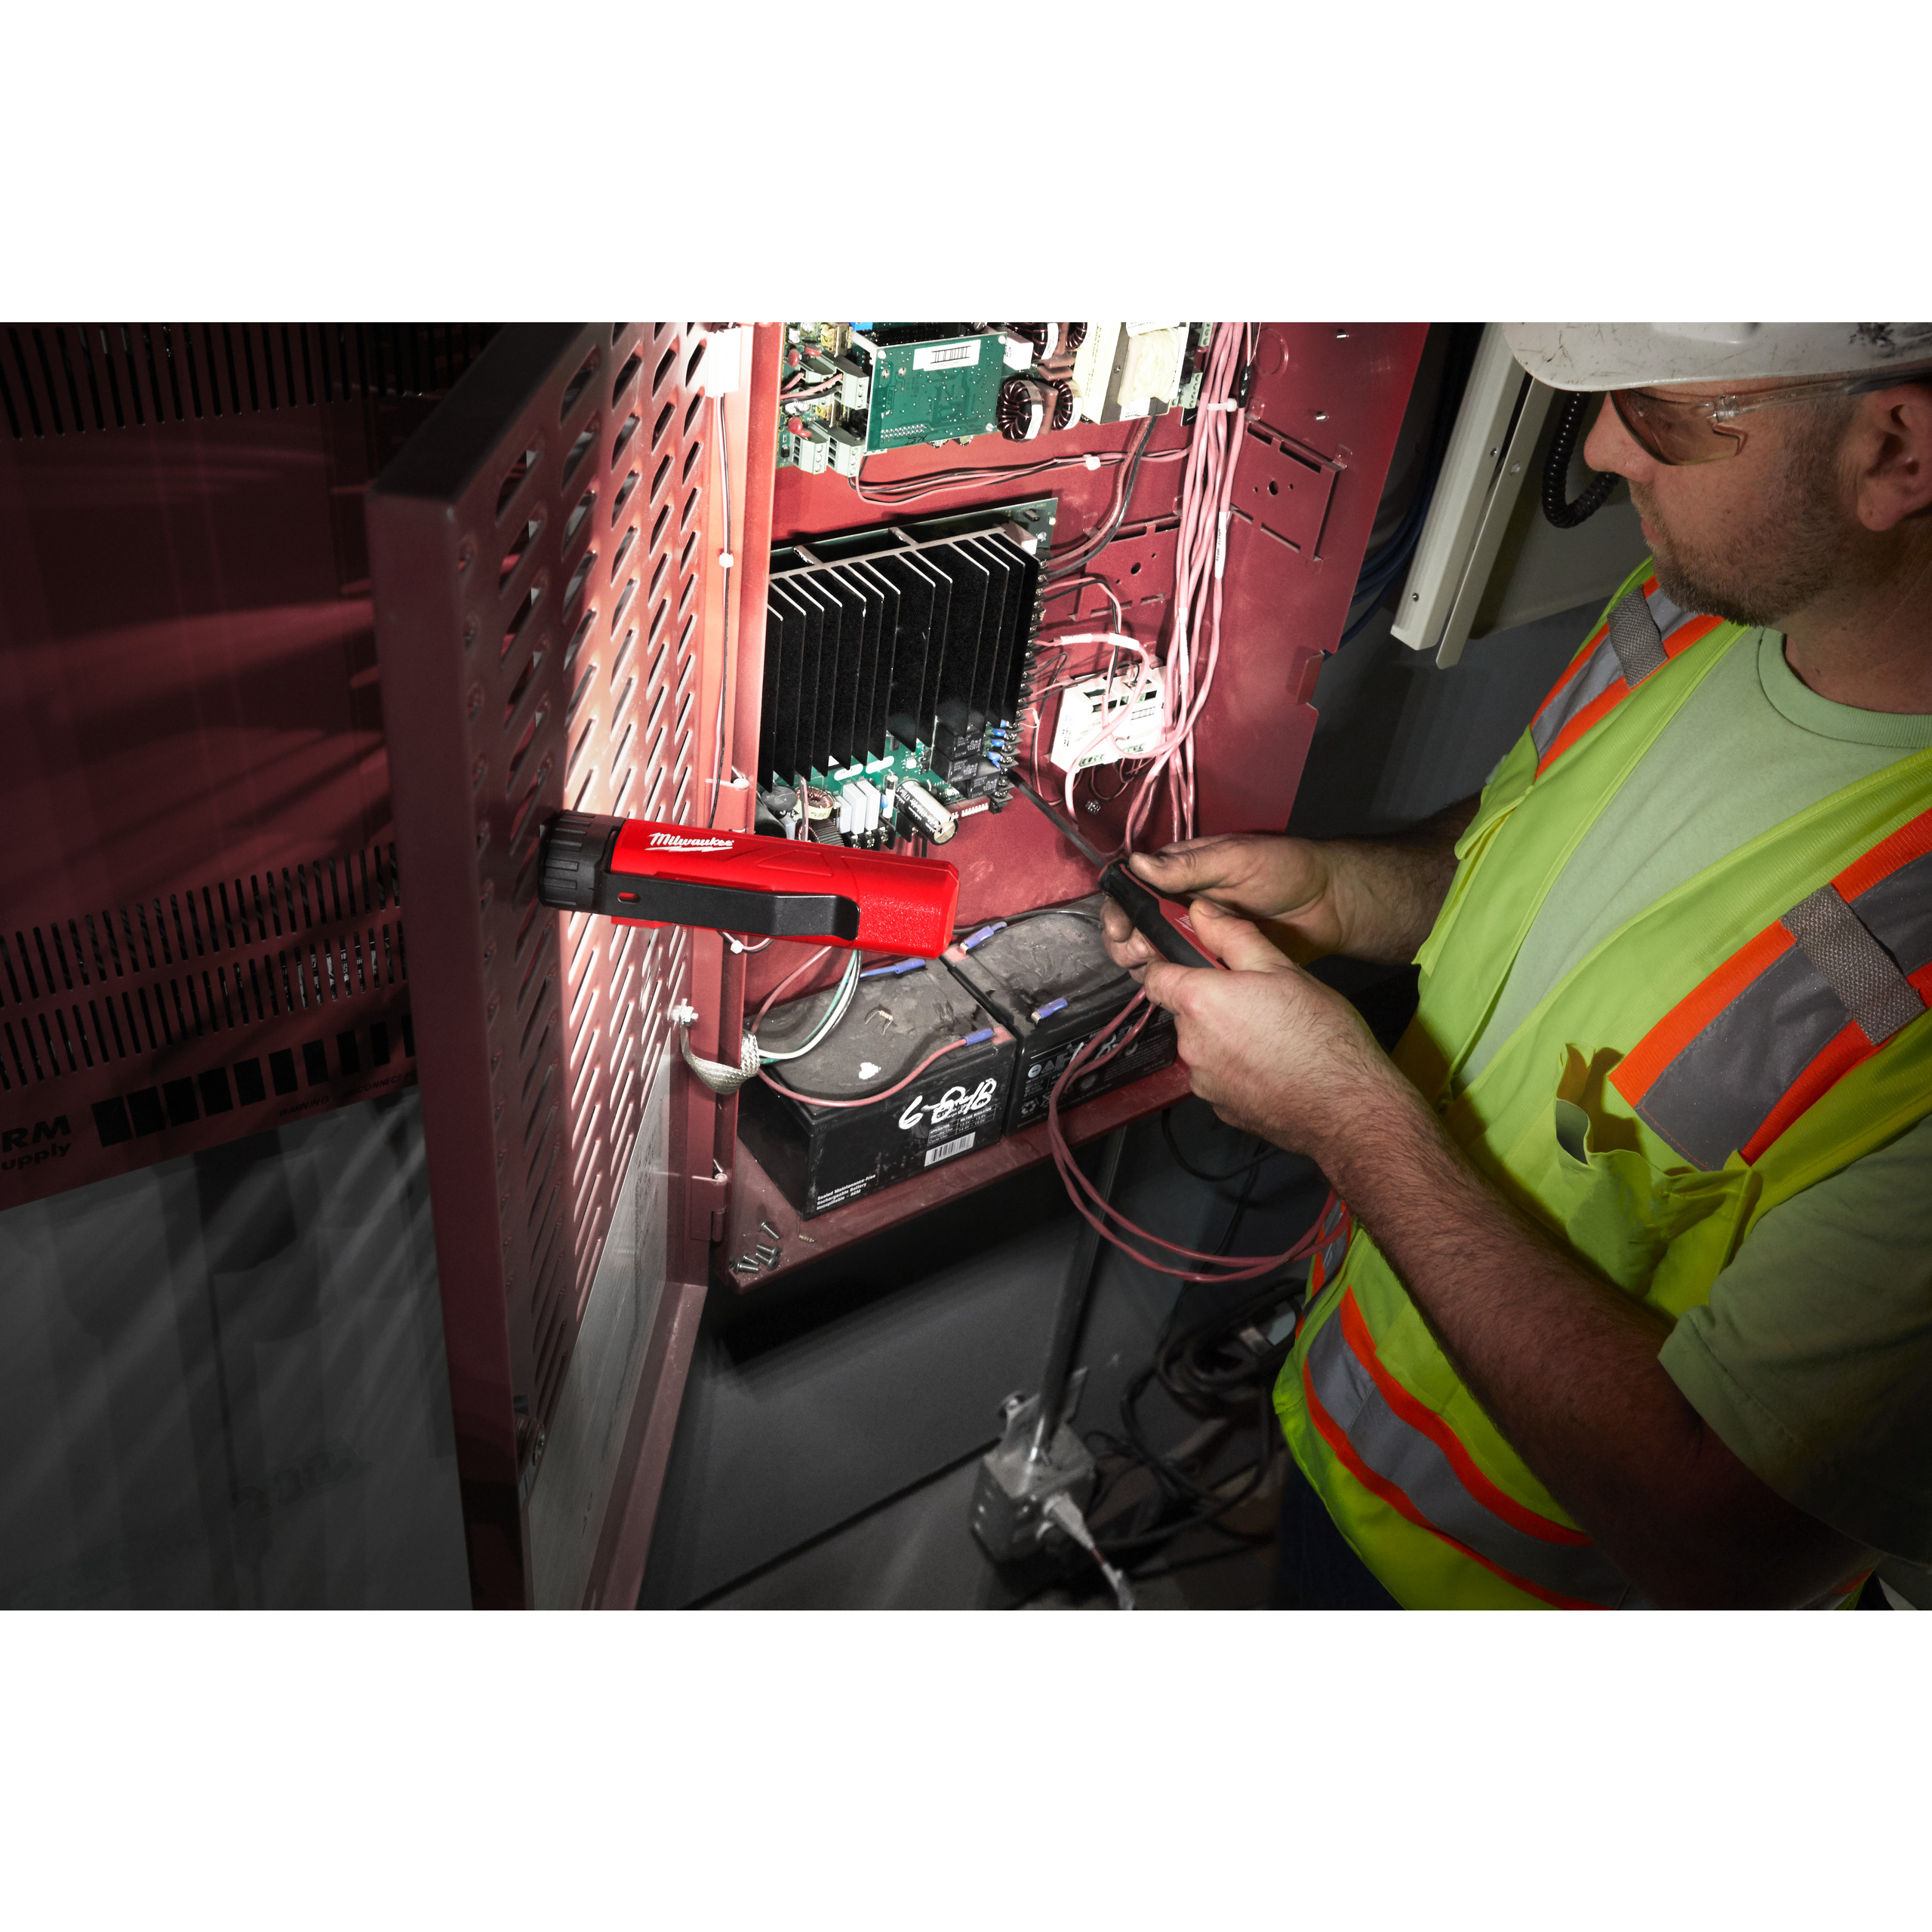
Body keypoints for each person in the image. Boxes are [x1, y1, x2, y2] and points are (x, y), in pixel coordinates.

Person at [1101, 323, 1932, 1609]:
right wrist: (1340, 891)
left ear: (1899, 450)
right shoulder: (1699, 606)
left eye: (1661, 414)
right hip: (1340, 1440)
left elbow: (1733, 1547)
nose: (1600, 450)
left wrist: (1348, 1117)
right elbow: (1517, 848)